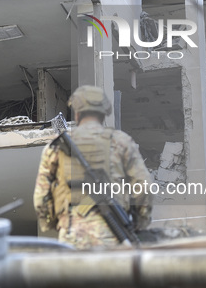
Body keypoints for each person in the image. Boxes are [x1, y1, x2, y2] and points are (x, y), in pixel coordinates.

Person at [33, 85, 153, 249]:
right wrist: (140, 221)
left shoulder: (54, 147)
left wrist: (58, 224)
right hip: (114, 237)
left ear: (77, 113)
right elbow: (144, 187)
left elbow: (41, 198)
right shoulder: (121, 141)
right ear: (104, 114)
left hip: (72, 238)